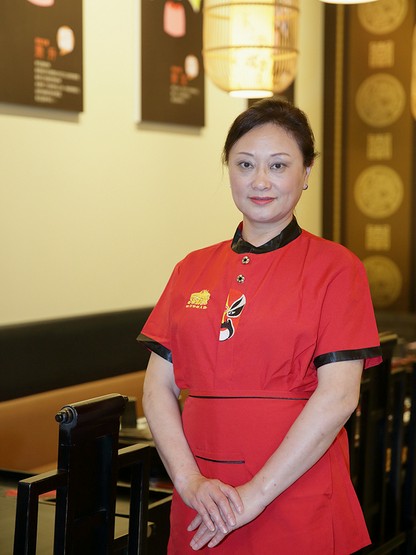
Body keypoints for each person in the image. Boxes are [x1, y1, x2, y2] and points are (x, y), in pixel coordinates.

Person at [138, 98, 382, 554]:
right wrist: (189, 482)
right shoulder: (191, 268)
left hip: (295, 492)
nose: (260, 181)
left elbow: (339, 396)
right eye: (245, 164)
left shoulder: (337, 268)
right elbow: (156, 387)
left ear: (306, 173)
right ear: (228, 169)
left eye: (279, 165)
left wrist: (254, 496)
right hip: (203, 499)